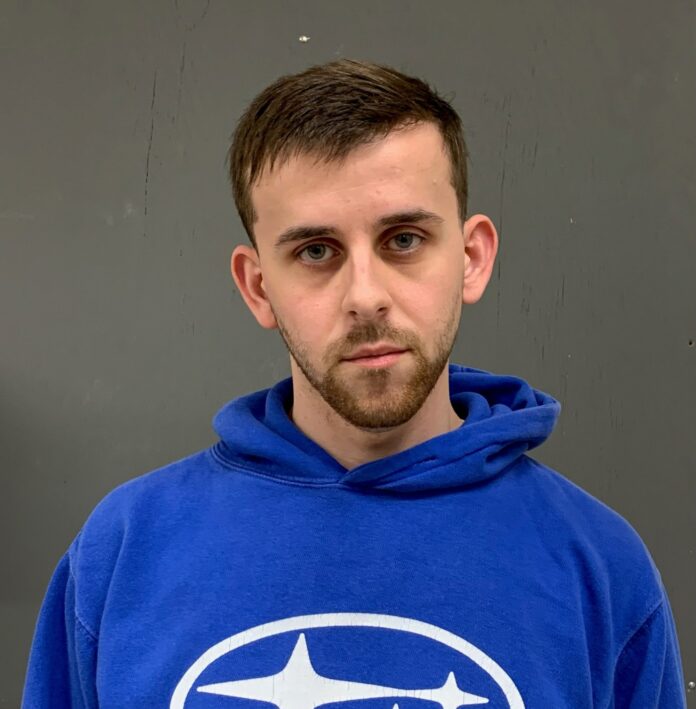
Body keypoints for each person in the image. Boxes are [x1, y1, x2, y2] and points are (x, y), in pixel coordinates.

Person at [22, 59, 686, 708]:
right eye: (316, 251)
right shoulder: (122, 553)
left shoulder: (600, 569)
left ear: (471, 258)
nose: (365, 296)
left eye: (404, 240)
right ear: (258, 287)